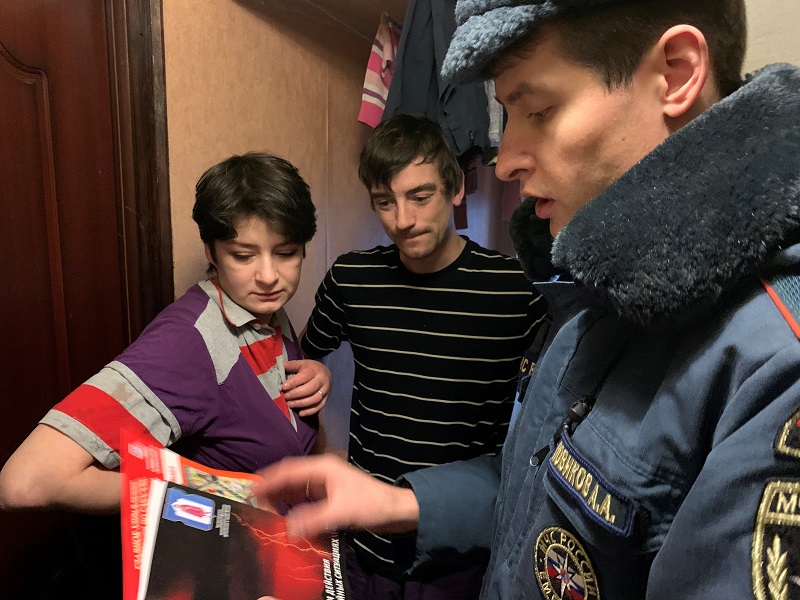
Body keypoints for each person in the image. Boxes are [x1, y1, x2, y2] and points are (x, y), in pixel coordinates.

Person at [254, 1, 800, 598]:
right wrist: (399, 501)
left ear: (675, 73)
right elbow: (534, 484)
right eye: (508, 116)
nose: (505, 160)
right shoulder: (582, 302)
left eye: (539, 110)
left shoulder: (776, 367)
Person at [0, 151, 331, 513]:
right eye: (242, 255)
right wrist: (221, 492)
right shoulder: (186, 343)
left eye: (285, 253)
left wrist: (314, 373)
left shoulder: (261, 306)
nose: (268, 276)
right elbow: (27, 481)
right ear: (211, 252)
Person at [300, 113, 547, 598]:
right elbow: (307, 352)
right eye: (384, 202)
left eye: (420, 196)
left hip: (460, 550)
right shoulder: (353, 278)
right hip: (363, 542)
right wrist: (313, 372)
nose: (402, 220)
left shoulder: (515, 290)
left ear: (456, 189)